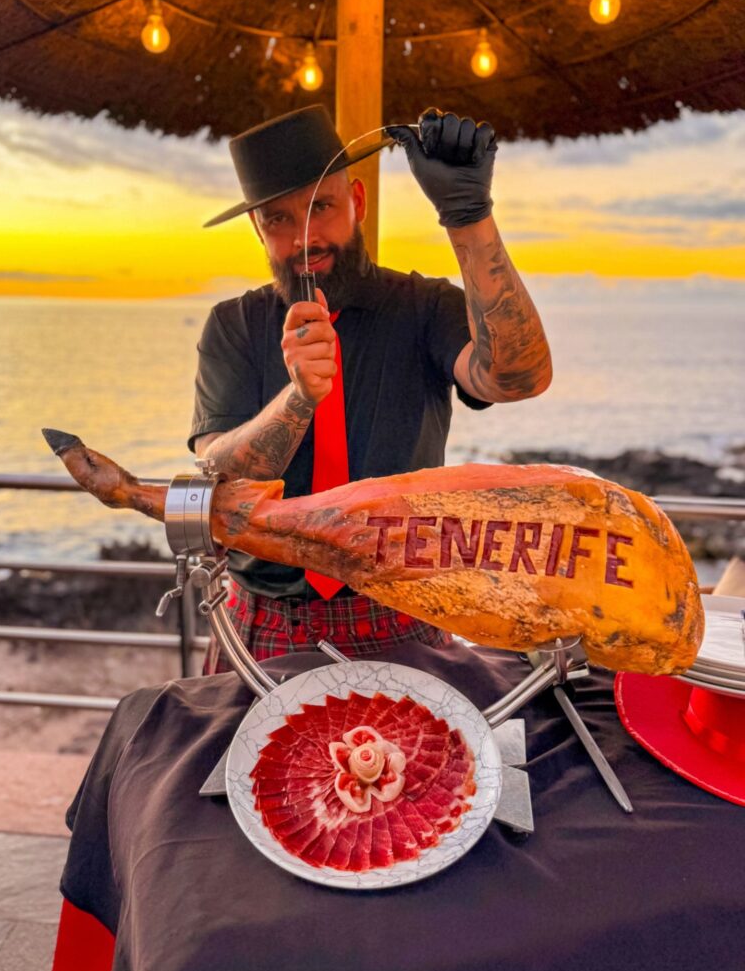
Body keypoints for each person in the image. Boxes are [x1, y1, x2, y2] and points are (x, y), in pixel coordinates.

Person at [189, 104, 552, 669]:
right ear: (257, 228)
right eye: (278, 220)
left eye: (322, 208)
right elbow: (218, 476)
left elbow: (518, 377)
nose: (305, 238)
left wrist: (468, 214)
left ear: (356, 202)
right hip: (267, 620)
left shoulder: (427, 307)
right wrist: (298, 399)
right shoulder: (233, 324)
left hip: (405, 611)